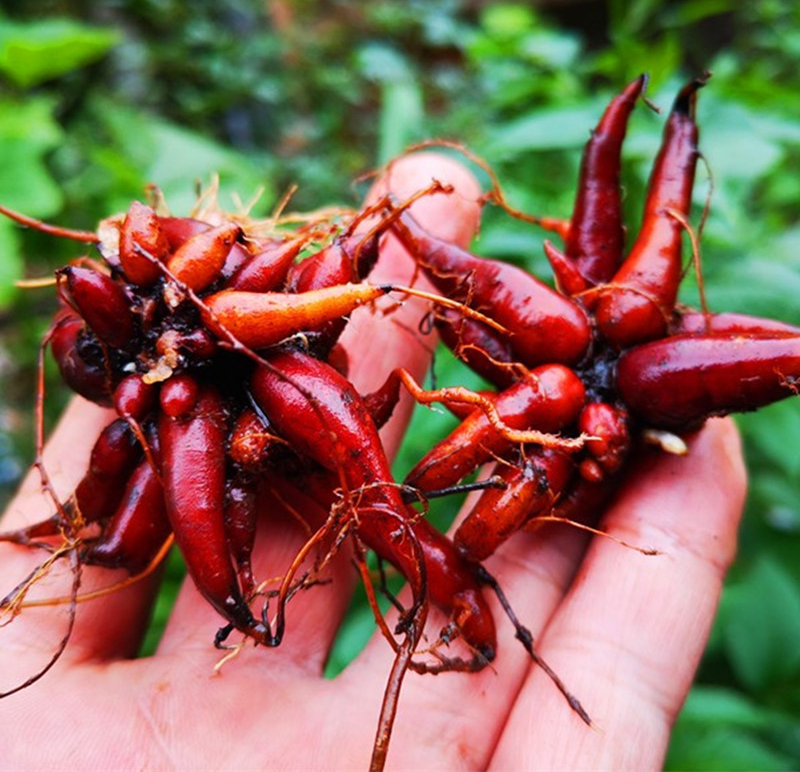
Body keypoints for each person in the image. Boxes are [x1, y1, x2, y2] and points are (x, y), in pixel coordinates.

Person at [0, 154, 746, 770]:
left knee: (369, 489)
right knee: (198, 504)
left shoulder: (253, 345)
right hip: (216, 385)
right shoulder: (171, 389)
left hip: (272, 372)